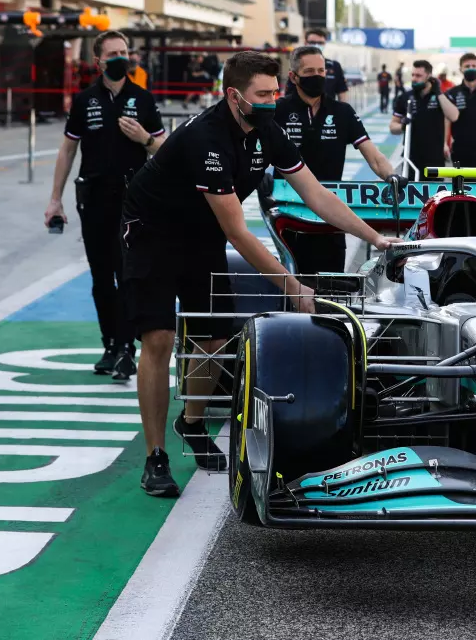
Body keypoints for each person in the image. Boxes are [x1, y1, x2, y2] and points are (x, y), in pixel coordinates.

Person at [120, 51, 399, 498]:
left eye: (275, 91)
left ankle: (191, 422)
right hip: (153, 233)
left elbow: (316, 195)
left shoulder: (267, 130)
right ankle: (156, 457)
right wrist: (291, 285)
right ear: (234, 96)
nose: (274, 100)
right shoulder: (206, 138)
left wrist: (378, 238)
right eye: (263, 93)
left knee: (213, 338)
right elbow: (236, 230)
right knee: (160, 338)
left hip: (200, 232)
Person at [45, 30, 166, 381]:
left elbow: (164, 148)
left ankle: (128, 348)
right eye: (112, 53)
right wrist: (55, 199)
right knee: (101, 277)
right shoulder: (85, 101)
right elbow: (68, 150)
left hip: (133, 203)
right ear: (98, 62)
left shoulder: (142, 99)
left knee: (126, 274)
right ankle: (110, 344)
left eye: (124, 52)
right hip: (94, 199)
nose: (119, 58)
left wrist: (143, 138)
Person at [275, 46, 399, 274]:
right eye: (310, 71)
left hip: (333, 213)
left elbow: (373, 155)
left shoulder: (342, 112)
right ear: (293, 76)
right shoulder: (277, 111)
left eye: (321, 71)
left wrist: (391, 176)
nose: (317, 76)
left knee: (332, 282)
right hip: (289, 212)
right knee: (292, 282)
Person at [390, 60, 459, 177]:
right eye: (413, 75)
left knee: (435, 195)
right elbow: (392, 127)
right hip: (410, 157)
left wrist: (438, 92)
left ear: (429, 76)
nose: (414, 78)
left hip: (435, 159)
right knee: (410, 194)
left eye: (418, 75)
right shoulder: (405, 97)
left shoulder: (441, 97)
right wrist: (402, 125)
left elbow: (454, 116)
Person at [290, 28, 350, 103]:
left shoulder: (334, 66)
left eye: (320, 43)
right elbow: (289, 93)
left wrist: (342, 112)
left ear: (325, 44)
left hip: (328, 111)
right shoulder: (297, 65)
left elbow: (342, 93)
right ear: (305, 43)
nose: (316, 45)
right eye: (312, 42)